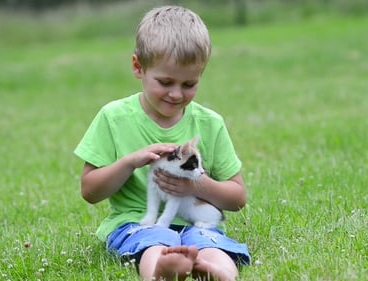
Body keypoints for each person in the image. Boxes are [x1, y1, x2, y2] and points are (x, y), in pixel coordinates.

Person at [74, 5, 251, 281]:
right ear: (138, 67)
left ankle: (220, 273)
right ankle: (161, 273)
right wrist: (131, 161)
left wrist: (196, 183)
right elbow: (90, 191)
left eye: (189, 84)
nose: (176, 94)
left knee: (212, 245)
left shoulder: (210, 123)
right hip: (139, 222)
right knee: (153, 242)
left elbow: (237, 198)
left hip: (198, 224)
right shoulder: (114, 118)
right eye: (165, 81)